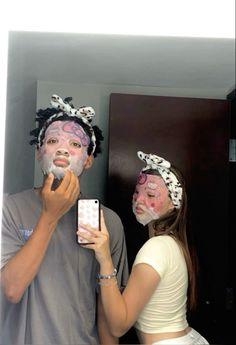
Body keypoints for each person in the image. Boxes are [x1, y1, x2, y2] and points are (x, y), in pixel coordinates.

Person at [0, 94, 129, 345]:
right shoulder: (9, 209)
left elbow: (108, 315)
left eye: (75, 144)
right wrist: (50, 215)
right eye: (52, 140)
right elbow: (11, 290)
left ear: (89, 160)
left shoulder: (108, 222)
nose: (62, 148)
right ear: (39, 152)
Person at [78, 150, 209, 344]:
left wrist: (105, 259)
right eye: (137, 192)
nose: (139, 200)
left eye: (150, 194)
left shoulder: (156, 248)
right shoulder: (173, 243)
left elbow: (118, 326)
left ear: (174, 203)